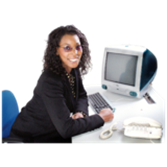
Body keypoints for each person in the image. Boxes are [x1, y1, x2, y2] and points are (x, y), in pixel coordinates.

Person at [10, 24, 114, 144]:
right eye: (67, 48)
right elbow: (67, 129)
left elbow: (81, 94)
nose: (75, 53)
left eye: (78, 47)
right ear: (56, 51)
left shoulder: (71, 68)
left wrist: (80, 112)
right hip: (34, 136)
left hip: (56, 128)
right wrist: (100, 118)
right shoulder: (49, 81)